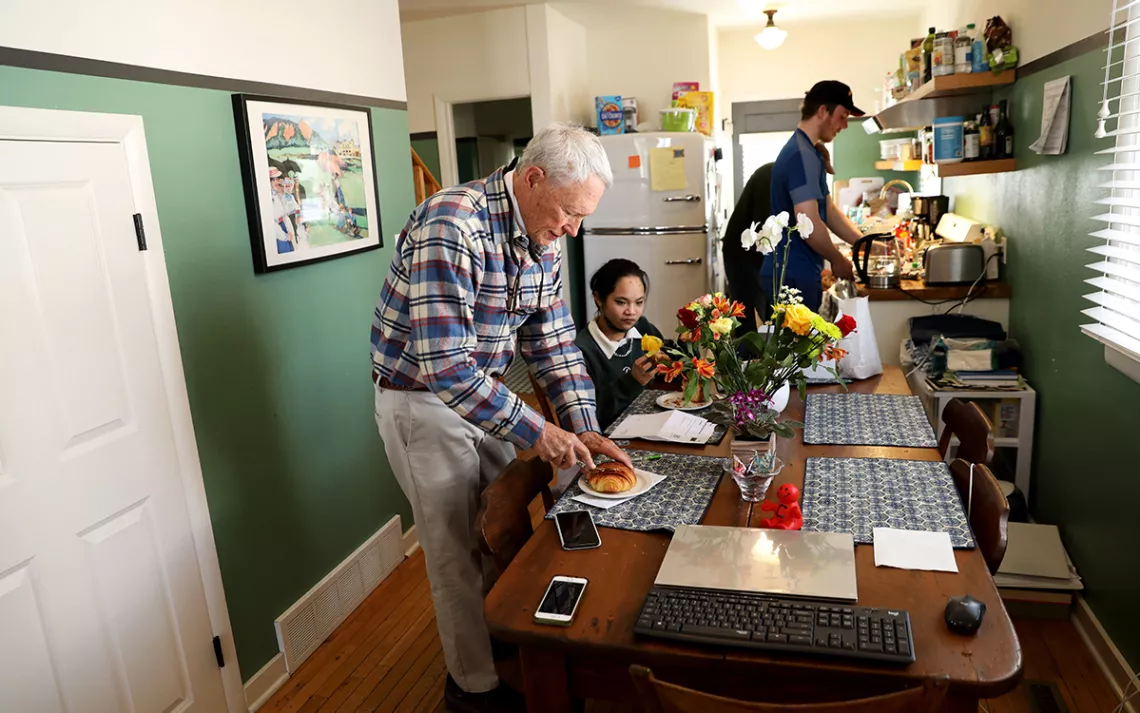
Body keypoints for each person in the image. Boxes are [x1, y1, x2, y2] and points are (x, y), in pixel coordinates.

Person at [370, 123, 631, 713]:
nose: (573, 229)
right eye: (570, 213)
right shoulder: (452, 224)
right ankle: (475, 689)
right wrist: (540, 432)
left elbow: (553, 342)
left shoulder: (543, 232)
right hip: (422, 400)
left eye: (582, 216)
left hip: (481, 393)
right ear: (533, 178)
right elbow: (445, 367)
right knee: (455, 553)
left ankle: (506, 654)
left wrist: (583, 424)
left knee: (496, 532)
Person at [763, 80, 867, 311]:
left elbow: (828, 211)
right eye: (842, 116)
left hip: (797, 272)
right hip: (791, 275)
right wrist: (837, 259)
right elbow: (807, 221)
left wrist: (864, 244)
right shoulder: (802, 155)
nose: (845, 125)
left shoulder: (810, 152)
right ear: (822, 111)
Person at [574, 259, 664, 430]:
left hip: (653, 425)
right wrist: (632, 380)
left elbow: (669, 369)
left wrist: (687, 345)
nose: (632, 312)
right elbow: (589, 415)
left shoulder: (642, 328)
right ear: (599, 298)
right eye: (621, 302)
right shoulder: (581, 351)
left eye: (639, 302)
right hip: (611, 437)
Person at [722, 162, 774, 337]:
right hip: (743, 257)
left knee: (762, 320)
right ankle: (746, 353)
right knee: (750, 321)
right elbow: (764, 228)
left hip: (752, 255)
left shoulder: (775, 174)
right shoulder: (770, 177)